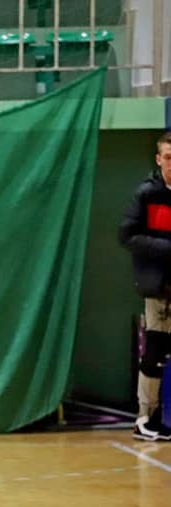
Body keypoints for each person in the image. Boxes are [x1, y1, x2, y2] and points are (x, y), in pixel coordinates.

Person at [120, 132, 171, 441]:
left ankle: (158, 418)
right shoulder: (147, 194)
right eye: (169, 157)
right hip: (159, 287)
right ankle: (145, 418)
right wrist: (166, 248)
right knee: (156, 350)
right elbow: (127, 235)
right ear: (158, 159)